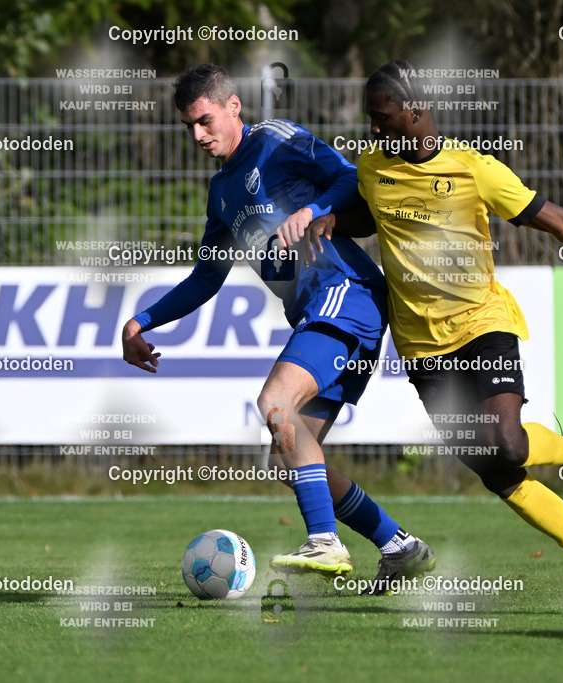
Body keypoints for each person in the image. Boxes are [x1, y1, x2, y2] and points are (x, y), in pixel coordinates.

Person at [300, 60, 563, 594]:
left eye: (383, 116)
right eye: (369, 119)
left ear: (418, 109)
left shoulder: (475, 170)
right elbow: (373, 214)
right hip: (421, 350)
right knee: (500, 476)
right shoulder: (374, 164)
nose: (373, 129)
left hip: (481, 325)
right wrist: (333, 217)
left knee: (511, 445)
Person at [121, 63, 434, 587]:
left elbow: (351, 178)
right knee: (289, 456)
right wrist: (141, 320)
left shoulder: (275, 140)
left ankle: (325, 543)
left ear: (232, 107)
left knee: (274, 404)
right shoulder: (221, 194)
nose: (198, 135)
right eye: (189, 127)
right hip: (321, 314)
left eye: (204, 120)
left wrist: (313, 208)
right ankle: (398, 545)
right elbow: (206, 278)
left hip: (345, 295)